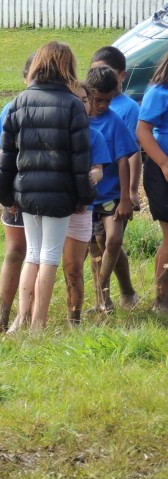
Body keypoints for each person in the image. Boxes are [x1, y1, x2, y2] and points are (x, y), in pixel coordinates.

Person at [0, 41, 93, 332]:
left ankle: (22, 319)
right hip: (60, 193)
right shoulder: (74, 105)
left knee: (33, 255)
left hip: (26, 191)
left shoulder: (18, 102)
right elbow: (80, 160)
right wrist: (85, 196)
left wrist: (4, 195)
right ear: (67, 67)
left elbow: (6, 157)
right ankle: (39, 325)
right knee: (49, 256)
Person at [91, 46, 141, 309]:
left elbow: (128, 156)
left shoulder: (119, 116)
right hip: (88, 197)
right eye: (98, 100)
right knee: (96, 247)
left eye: (108, 101)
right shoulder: (80, 119)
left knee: (113, 239)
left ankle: (106, 291)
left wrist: (128, 195)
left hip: (112, 193)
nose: (103, 106)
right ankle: (106, 299)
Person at [0, 53, 33, 333]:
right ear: (25, 78)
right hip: (17, 190)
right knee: (15, 251)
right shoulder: (11, 108)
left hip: (47, 192)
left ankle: (28, 316)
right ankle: (2, 316)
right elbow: (0, 152)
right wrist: (9, 189)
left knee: (41, 255)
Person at [62, 82, 110, 326]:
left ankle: (74, 320)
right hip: (53, 206)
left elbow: (99, 169)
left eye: (84, 99)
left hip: (81, 208)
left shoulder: (95, 136)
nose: (80, 104)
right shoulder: (55, 132)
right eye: (74, 99)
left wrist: (91, 178)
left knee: (73, 267)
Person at [136, 50, 168, 313]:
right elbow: (143, 131)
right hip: (162, 171)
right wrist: (164, 163)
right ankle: (161, 299)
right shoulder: (158, 92)